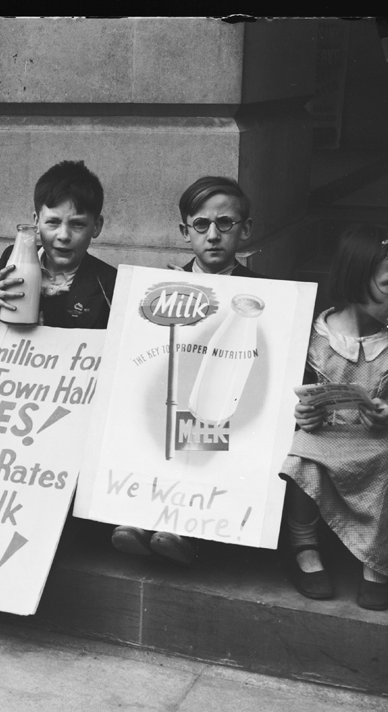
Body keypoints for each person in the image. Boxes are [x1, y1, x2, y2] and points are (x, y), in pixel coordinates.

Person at [110, 176, 263, 566]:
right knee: (151, 420)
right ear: (185, 231)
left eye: (225, 224)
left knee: (205, 421)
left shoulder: (263, 294)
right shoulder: (162, 286)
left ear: (244, 230)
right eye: (201, 225)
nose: (213, 235)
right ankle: (140, 516)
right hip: (168, 392)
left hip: (224, 399)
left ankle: (187, 530)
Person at [279, 226, 388, 611]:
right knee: (303, 453)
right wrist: (302, 413)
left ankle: (380, 560)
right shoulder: (314, 336)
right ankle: (303, 547)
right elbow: (289, 397)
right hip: (323, 435)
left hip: (376, 439)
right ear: (356, 280)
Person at [0, 159, 116, 329]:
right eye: (53, 222)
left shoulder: (109, 283)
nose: (64, 236)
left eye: (78, 224)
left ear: (96, 226)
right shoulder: (14, 260)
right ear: (36, 222)